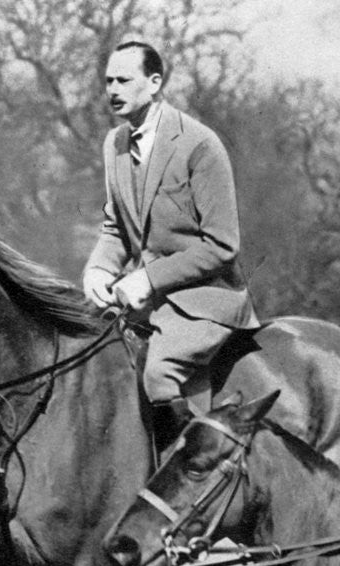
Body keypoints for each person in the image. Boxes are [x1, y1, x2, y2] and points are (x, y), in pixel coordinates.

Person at [82, 40, 259, 434]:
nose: (113, 89)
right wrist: (98, 268)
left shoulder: (199, 144)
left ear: (155, 82)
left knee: (158, 374)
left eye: (124, 80)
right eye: (108, 80)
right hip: (146, 300)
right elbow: (116, 228)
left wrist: (147, 278)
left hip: (206, 299)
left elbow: (222, 245)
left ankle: (185, 480)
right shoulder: (115, 144)